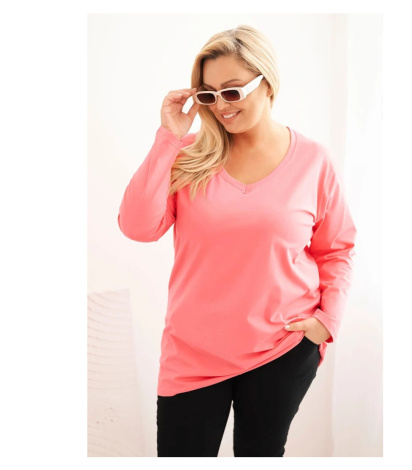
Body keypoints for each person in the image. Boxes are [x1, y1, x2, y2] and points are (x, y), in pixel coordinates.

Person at [117, 24, 357, 457]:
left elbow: (336, 248)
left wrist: (328, 321)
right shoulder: (189, 155)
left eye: (232, 91)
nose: (221, 106)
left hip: (281, 349)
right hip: (192, 354)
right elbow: (137, 226)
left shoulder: (314, 161)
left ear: (268, 84)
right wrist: (169, 137)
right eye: (209, 95)